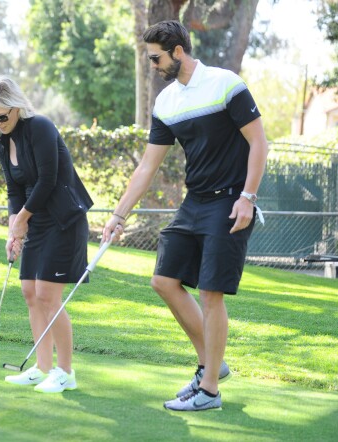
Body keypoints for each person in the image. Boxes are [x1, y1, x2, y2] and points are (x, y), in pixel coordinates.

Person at [102, 21, 268, 411]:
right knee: (163, 280)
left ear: (178, 51)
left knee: (211, 294)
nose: (153, 65)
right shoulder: (167, 103)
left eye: (157, 57)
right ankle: (212, 364)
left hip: (230, 201)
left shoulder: (225, 84)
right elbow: (147, 166)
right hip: (195, 202)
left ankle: (209, 390)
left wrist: (248, 197)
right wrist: (118, 215)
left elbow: (259, 141)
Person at [0, 75, 93, 393]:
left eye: (3, 116)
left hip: (63, 221)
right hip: (37, 222)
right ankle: (42, 369)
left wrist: (22, 220)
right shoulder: (4, 144)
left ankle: (65, 372)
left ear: (17, 108)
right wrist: (13, 228)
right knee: (30, 292)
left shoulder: (40, 127)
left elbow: (47, 179)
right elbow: (15, 190)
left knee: (48, 296)